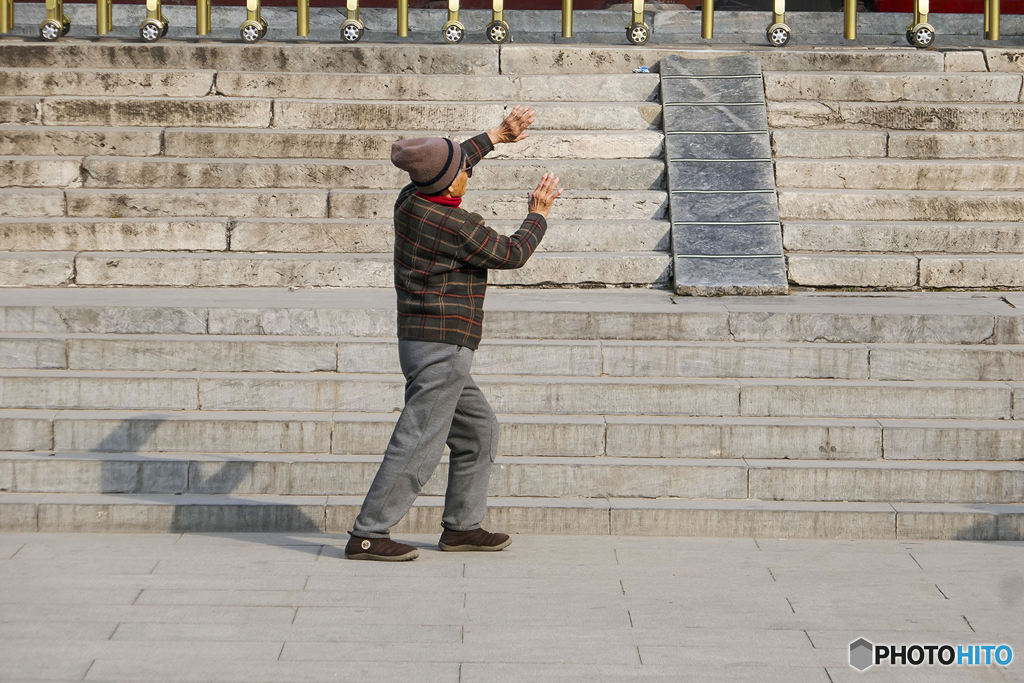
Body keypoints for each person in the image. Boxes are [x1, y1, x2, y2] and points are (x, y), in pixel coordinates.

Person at [345, 106, 563, 562]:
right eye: (464, 169)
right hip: (441, 348)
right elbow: (511, 253)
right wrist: (537, 214)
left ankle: (462, 527)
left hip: (426, 341)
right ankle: (369, 533)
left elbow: (453, 157)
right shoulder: (453, 224)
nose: (468, 170)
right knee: (419, 440)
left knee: (477, 430)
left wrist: (496, 136)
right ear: (451, 183)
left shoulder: (412, 199)